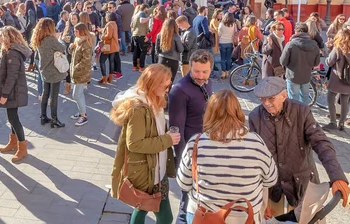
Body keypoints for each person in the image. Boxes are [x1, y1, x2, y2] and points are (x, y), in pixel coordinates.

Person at [249, 77, 349, 217]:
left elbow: (321, 143)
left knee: (307, 219)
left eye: (271, 98)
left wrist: (337, 176)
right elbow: (254, 158)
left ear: (284, 95)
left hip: (301, 181)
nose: (266, 103)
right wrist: (261, 201)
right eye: (262, 99)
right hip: (272, 186)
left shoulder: (301, 111)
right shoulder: (255, 116)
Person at [177, 90, 278, 223]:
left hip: (205, 217)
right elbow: (271, 179)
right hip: (245, 218)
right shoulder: (256, 142)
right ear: (238, 111)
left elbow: (183, 183)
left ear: (209, 113)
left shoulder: (196, 143)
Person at [110, 64, 179, 224]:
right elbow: (134, 144)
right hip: (147, 171)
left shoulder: (155, 99)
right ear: (152, 84)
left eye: (169, 85)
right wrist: (168, 140)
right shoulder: (139, 109)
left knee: (144, 208)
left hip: (156, 168)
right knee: (160, 215)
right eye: (164, 85)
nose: (167, 89)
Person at [168, 49, 214, 224]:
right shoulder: (179, 90)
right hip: (191, 157)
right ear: (190, 67)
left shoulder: (206, 82)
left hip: (207, 151)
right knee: (186, 205)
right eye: (196, 71)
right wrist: (184, 163)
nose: (201, 76)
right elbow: (176, 130)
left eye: (205, 71)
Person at [0, 26, 32, 163]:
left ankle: (22, 147)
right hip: (13, 90)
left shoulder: (12, 53)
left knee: (13, 118)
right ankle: (13, 142)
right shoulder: (10, 52)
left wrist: (4, 94)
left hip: (13, 91)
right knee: (11, 117)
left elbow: (12, 76)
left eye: (1, 36)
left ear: (6, 37)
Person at [324, 28, 350, 132]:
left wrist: (329, 51)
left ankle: (332, 122)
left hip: (337, 79)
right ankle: (342, 123)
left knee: (330, 99)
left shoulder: (338, 48)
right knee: (345, 100)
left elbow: (329, 62)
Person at [31, 18, 67, 128]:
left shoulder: (38, 38)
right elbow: (62, 48)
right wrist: (60, 39)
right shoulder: (51, 39)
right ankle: (54, 119)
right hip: (54, 70)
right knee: (54, 96)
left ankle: (43, 116)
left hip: (44, 70)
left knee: (45, 94)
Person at [280, 23, 321, 104]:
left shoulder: (291, 44)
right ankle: (303, 114)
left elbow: (283, 61)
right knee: (305, 98)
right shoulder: (314, 45)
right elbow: (316, 62)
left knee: (293, 99)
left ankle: (294, 116)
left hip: (293, 75)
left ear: (296, 32)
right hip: (306, 76)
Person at [69, 22, 94, 126]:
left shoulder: (86, 44)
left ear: (82, 31)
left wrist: (76, 68)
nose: (74, 33)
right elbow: (73, 55)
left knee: (76, 95)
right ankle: (81, 112)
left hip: (81, 73)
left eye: (76, 31)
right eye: (74, 31)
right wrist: (71, 48)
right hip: (76, 72)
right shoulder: (77, 41)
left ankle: (83, 116)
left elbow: (86, 61)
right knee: (78, 94)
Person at [155, 18, 183, 83]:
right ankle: (167, 93)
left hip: (162, 58)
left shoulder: (159, 35)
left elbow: (157, 49)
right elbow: (180, 49)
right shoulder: (176, 36)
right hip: (173, 60)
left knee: (160, 80)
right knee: (170, 81)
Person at [99, 12, 119, 84]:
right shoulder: (114, 24)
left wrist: (102, 37)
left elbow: (109, 35)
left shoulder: (109, 24)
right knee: (111, 61)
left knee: (102, 61)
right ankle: (110, 78)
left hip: (107, 45)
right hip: (113, 46)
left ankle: (104, 78)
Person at [130, 4, 150, 71]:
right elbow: (142, 21)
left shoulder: (135, 15)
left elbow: (131, 26)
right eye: (147, 8)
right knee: (143, 51)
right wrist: (149, 18)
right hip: (141, 34)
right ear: (145, 8)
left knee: (136, 51)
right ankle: (141, 67)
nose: (148, 10)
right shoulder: (142, 13)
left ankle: (134, 66)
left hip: (135, 35)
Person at [217, 12, 237, 80]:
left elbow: (219, 34)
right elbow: (235, 33)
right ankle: (227, 73)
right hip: (230, 42)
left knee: (222, 58)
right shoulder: (233, 24)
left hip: (222, 42)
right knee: (228, 58)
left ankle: (223, 73)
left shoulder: (221, 24)